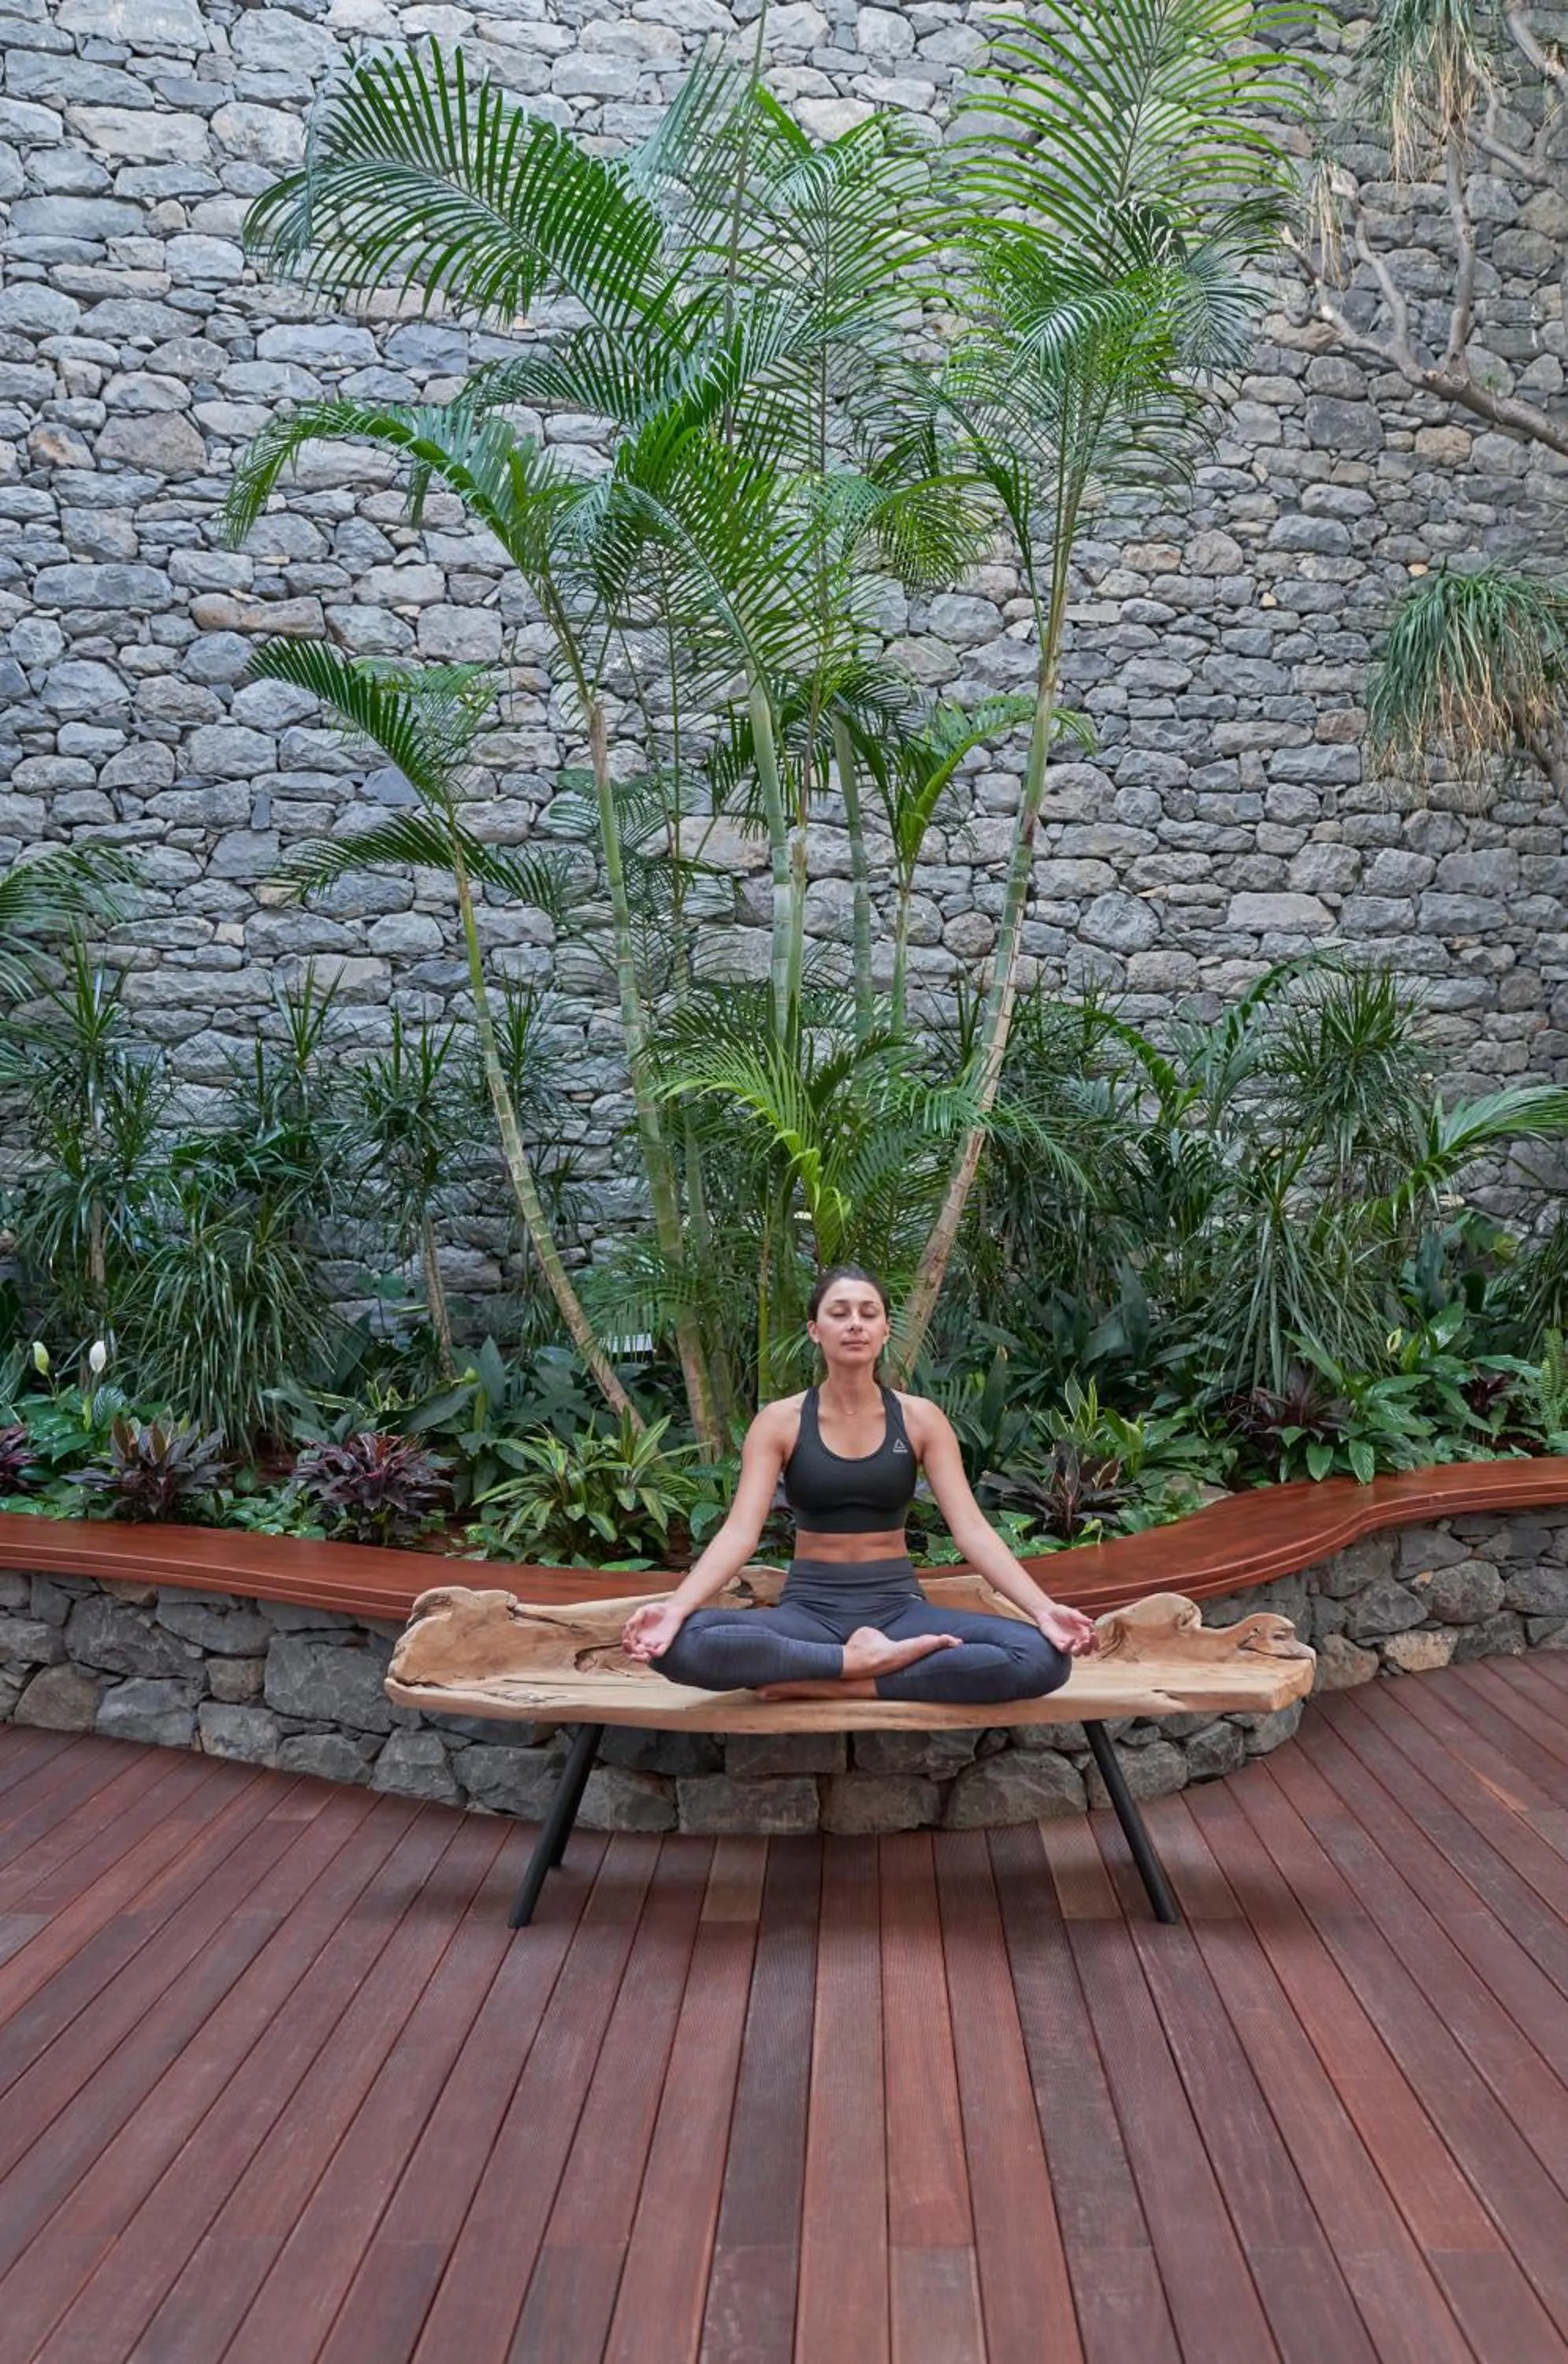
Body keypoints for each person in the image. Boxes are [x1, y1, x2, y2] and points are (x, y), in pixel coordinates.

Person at [622, 1265, 1099, 1703]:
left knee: (1040, 1658)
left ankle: (840, 1685)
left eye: (869, 1313)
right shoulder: (781, 1421)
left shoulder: (921, 1420)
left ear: (885, 1330)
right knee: (681, 1644)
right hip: (809, 1610)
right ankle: (856, 1662)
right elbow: (739, 1532)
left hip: (899, 1610)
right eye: (839, 1312)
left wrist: (1042, 1610)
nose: (855, 1323)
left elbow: (972, 1530)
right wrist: (675, 1608)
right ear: (815, 1330)